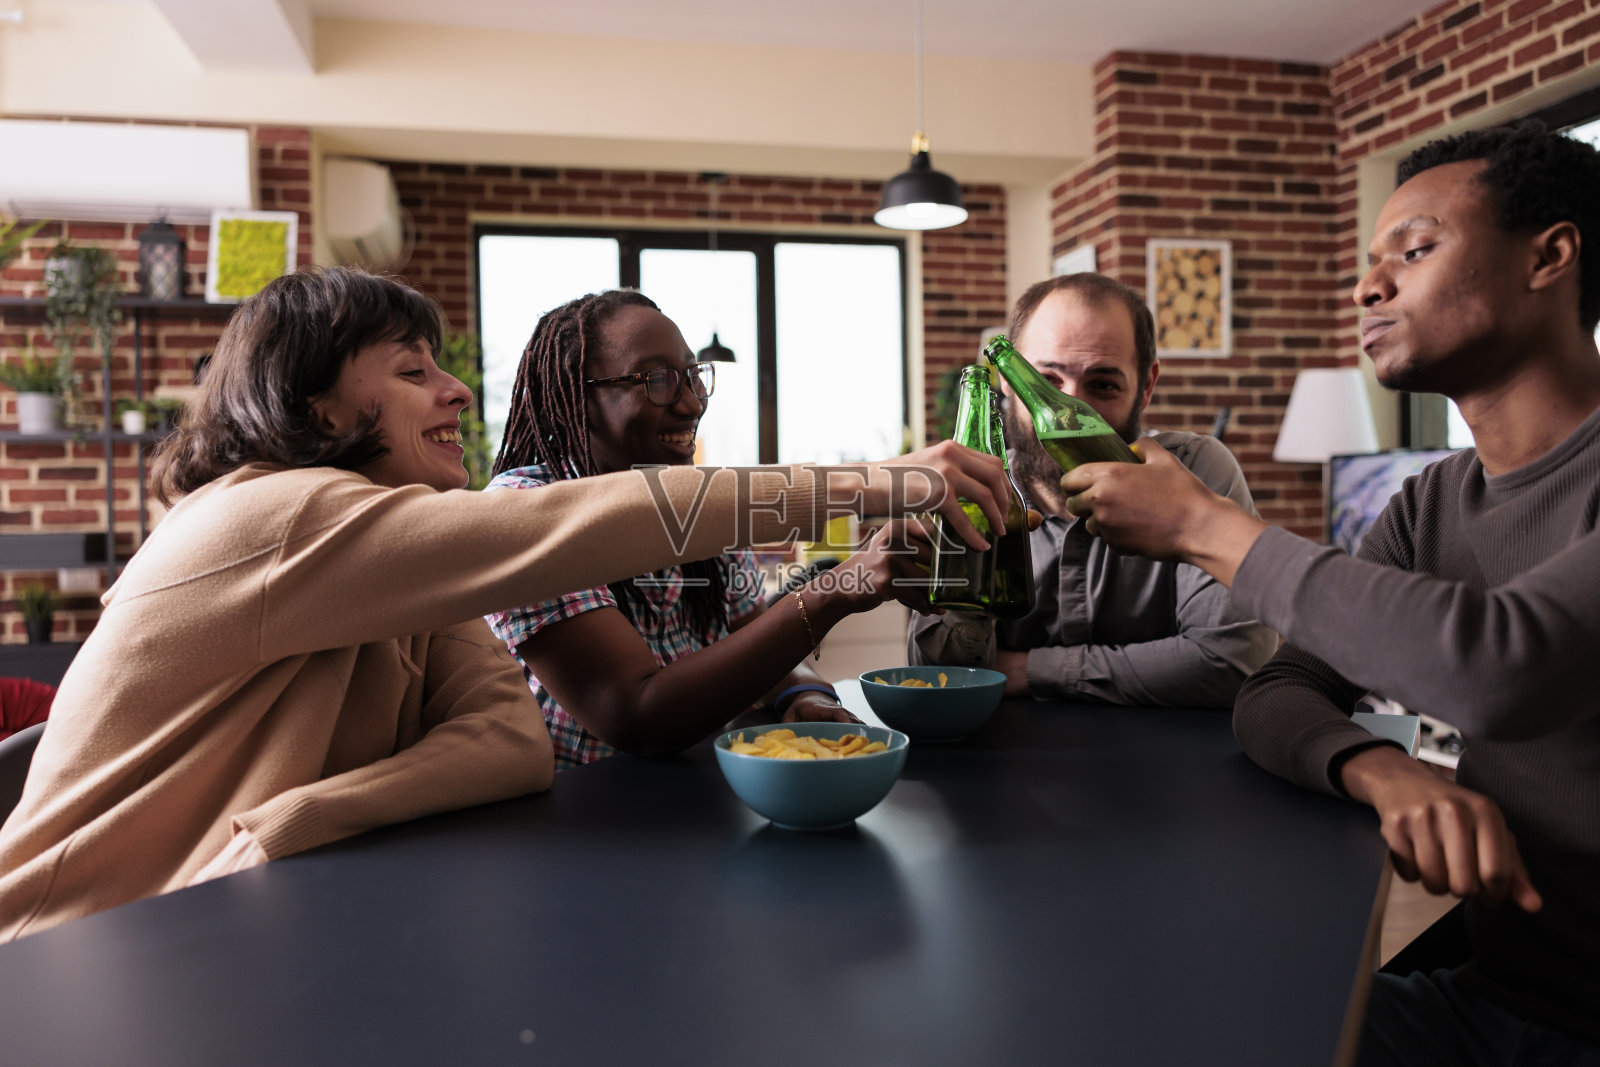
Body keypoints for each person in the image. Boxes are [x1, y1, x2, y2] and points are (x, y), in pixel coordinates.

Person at [0, 267, 1011, 940]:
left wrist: (294, 815)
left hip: (228, 922)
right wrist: (869, 482)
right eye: (411, 371)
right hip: (74, 953)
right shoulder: (268, 521)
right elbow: (559, 536)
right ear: (316, 408)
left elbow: (505, 742)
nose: (452, 393)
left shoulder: (401, 560)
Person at [1059, 122, 1600, 1061]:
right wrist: (1377, 768)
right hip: (1494, 997)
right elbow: (1279, 688)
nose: (1367, 287)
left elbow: (1501, 663)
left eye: (1416, 250)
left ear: (1548, 257)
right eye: (1370, 260)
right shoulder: (1436, 500)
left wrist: (1205, 526)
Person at [484, 291, 944, 767]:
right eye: (657, 380)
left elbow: (750, 642)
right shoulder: (524, 511)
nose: (691, 403)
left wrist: (804, 696)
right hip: (574, 820)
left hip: (692, 803)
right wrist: (835, 590)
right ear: (579, 398)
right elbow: (637, 716)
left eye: (693, 376)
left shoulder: (699, 502)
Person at [908, 273, 1276, 707]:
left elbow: (1235, 661)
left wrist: (1026, 670)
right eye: (1044, 381)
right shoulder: (971, 491)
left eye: (1103, 385)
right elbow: (937, 678)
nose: (1066, 411)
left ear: (1146, 386)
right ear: (1007, 381)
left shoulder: (1197, 471)